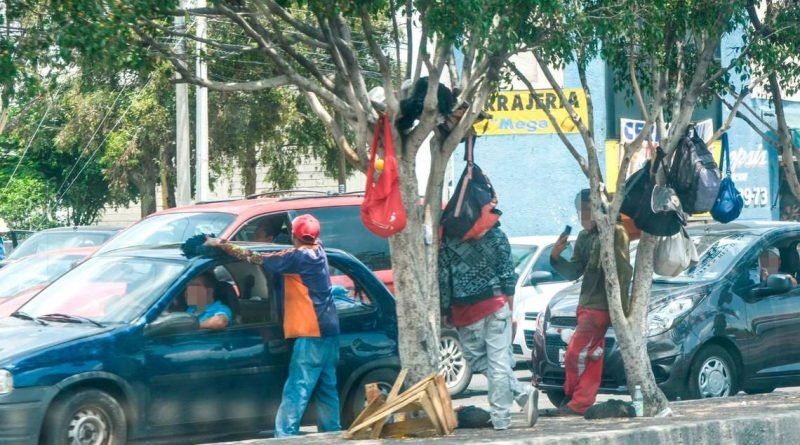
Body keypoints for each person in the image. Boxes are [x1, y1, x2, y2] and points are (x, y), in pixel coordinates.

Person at [204, 214, 340, 437]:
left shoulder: (297, 258)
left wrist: (223, 245)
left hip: (311, 333)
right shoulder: (319, 251)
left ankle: (285, 437)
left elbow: (256, 257)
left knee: (298, 388)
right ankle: (334, 435)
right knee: (327, 388)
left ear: (294, 236)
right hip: (330, 330)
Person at [439, 223, 538, 430]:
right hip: (497, 305)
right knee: (499, 363)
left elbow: (443, 277)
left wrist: (445, 309)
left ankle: (505, 414)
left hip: (466, 310)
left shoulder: (450, 236)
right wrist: (510, 309)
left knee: (478, 361)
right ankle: (518, 398)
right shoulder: (496, 234)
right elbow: (507, 275)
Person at [549, 189, 632, 416]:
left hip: (600, 307)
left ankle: (573, 398)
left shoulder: (616, 233)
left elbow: (624, 273)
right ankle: (581, 402)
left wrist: (622, 311)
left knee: (575, 353)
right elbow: (575, 270)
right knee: (592, 356)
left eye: (586, 211)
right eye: (581, 211)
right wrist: (555, 257)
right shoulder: (585, 237)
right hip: (585, 304)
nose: (582, 216)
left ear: (598, 210)